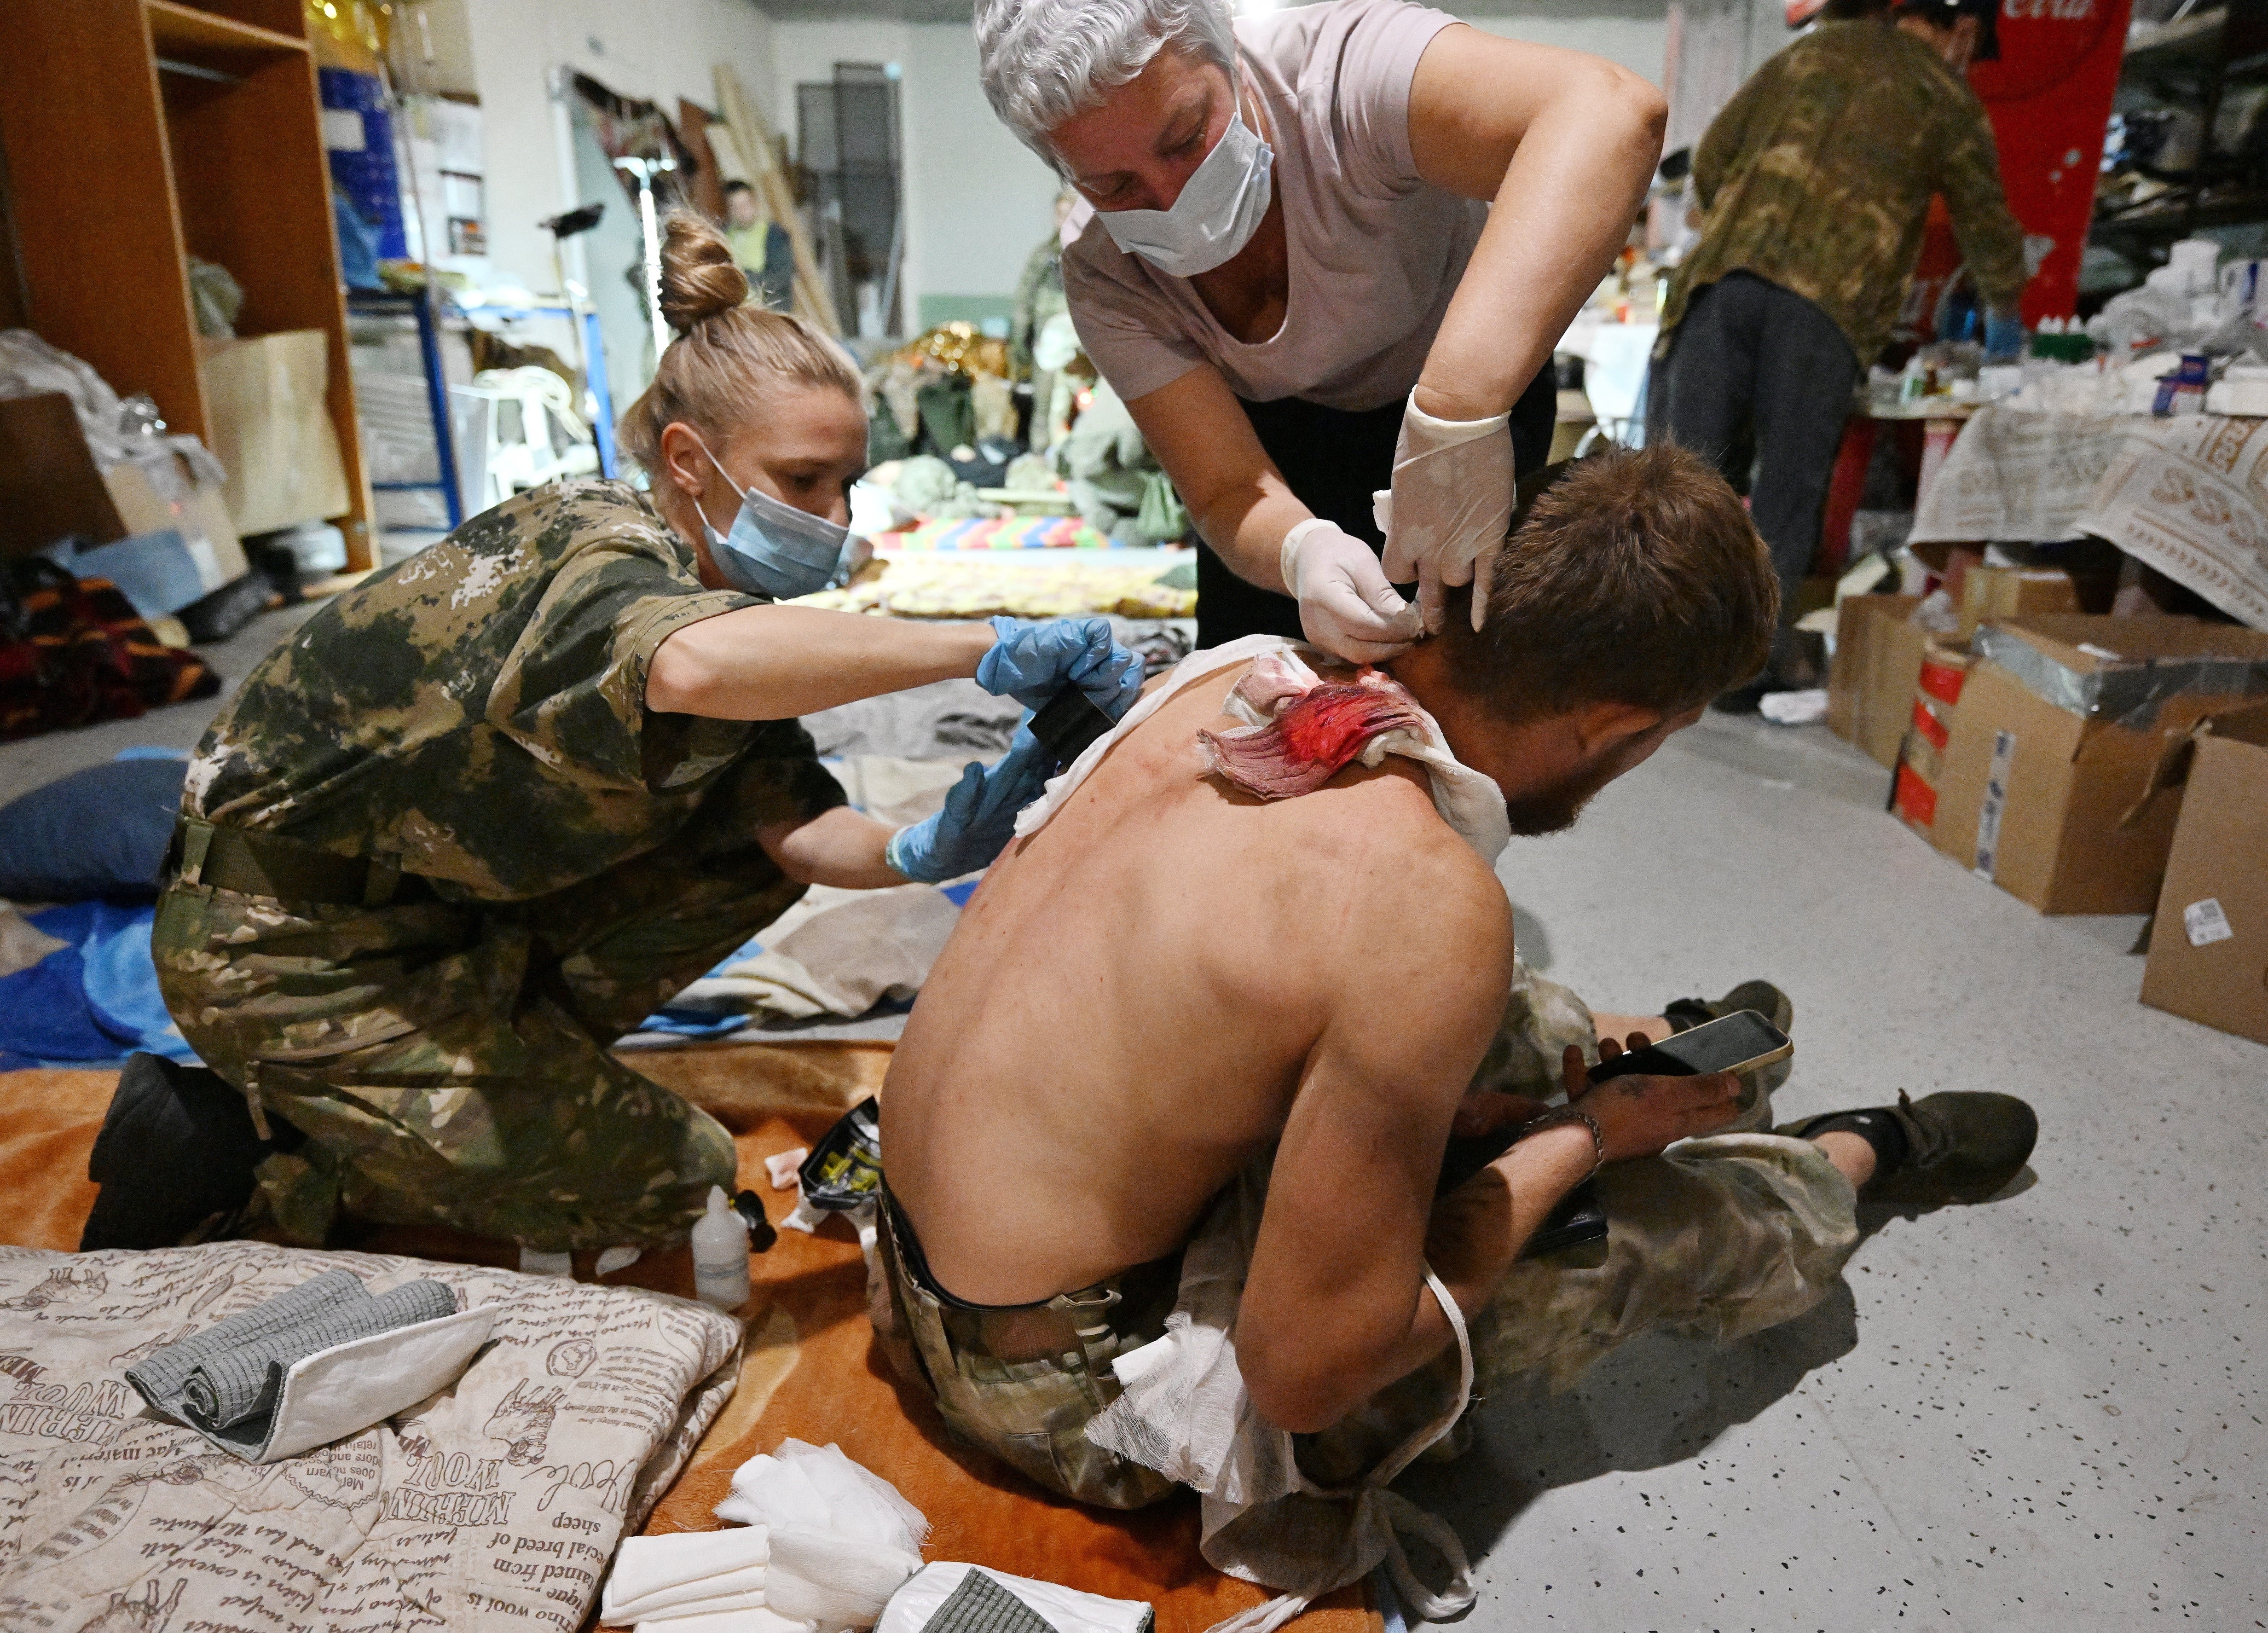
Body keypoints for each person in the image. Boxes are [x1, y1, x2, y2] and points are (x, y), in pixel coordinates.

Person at [873, 446, 2038, 1547]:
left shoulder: (1236, 670)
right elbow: (1305, 1370)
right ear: (1623, 728)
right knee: (1631, 1216)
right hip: (1057, 1389)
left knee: (1474, 1016)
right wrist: (1581, 1141)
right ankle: (1845, 1160)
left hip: (917, 1264)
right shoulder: (1422, 900)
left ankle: (1666, 1055)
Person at [135, 214, 1141, 1259]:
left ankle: (475, 1078)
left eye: (846, 482)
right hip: (276, 940)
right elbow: (687, 663)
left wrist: (922, 845)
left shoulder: (722, 598)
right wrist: (977, 643)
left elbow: (794, 832)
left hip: (434, 921)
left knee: (731, 856)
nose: (837, 516)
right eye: (804, 481)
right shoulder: (588, 544)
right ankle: (259, 1157)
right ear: (687, 459)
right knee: (675, 1176)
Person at [975, 0, 1666, 657]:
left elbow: (1612, 113)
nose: (1170, 197)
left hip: (1467, 396)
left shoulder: (1344, 75)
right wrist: (1301, 550)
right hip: (1273, 452)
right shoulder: (1105, 273)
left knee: (1468, 677)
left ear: (1229, 55)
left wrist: (1458, 410)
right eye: (1115, 187)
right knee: (1258, 690)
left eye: (1187, 138)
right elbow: (1227, 487)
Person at [1647, 0, 2028, 707]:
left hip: (1719, 284)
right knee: (1787, 494)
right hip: (1826, 303)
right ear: (1965, 32)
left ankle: (1640, 653)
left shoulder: (1806, 54)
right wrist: (2008, 314)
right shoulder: (1946, 94)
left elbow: (1716, 152)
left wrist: (1741, 223)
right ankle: (1741, 671)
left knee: (1681, 481)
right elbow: (1986, 218)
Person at [723, 179, 795, 312]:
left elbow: (781, 278)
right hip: (738, 313)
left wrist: (743, 279)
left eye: (746, 205)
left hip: (769, 312)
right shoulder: (724, 235)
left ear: (756, 204)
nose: (742, 212)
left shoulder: (773, 234)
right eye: (736, 207)